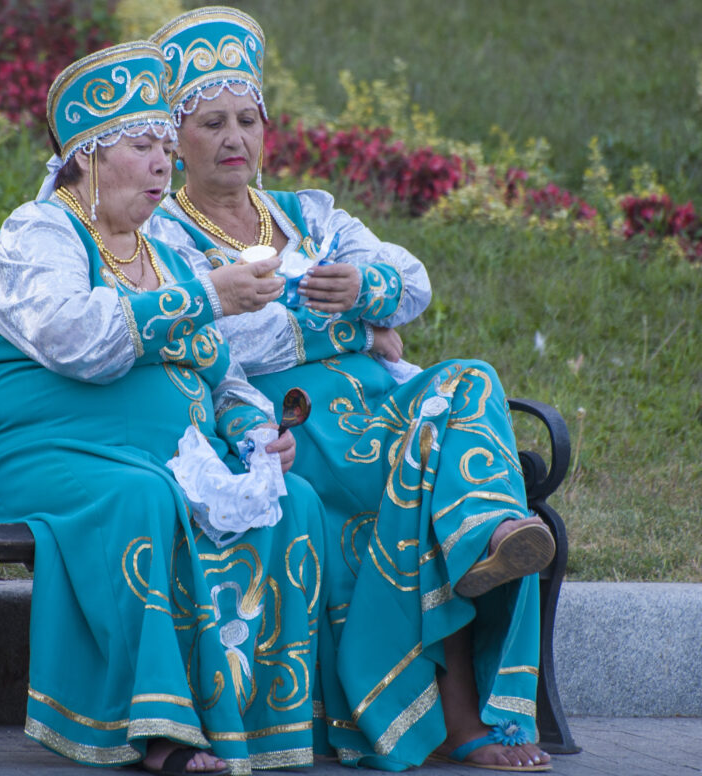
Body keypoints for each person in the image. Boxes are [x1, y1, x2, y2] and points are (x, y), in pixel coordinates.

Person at [145, 7, 555, 772]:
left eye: (246, 119)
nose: (233, 138)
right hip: (298, 426)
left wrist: (367, 285)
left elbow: (413, 284)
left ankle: (492, 538)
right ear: (174, 138)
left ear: (266, 129)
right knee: (429, 480)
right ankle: (463, 712)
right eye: (209, 124)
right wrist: (363, 331)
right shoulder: (167, 238)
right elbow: (221, 337)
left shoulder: (310, 213)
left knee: (473, 379)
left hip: (382, 407)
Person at [0, 40, 328, 776]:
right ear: (87, 159)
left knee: (296, 499)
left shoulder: (163, 251)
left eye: (166, 145)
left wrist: (254, 429)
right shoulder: (38, 234)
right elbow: (78, 340)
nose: (165, 163)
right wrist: (206, 298)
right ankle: (156, 725)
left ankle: (255, 728)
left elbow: (221, 373)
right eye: (142, 145)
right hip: (46, 460)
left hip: (159, 455)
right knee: (144, 495)